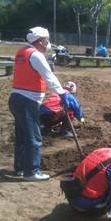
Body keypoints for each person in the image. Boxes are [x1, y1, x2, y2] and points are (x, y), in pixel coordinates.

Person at [8, 26, 69, 181]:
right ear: (40, 41)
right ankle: (32, 172)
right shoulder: (36, 55)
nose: (48, 43)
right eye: (47, 40)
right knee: (34, 137)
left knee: (22, 136)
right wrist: (62, 93)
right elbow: (49, 76)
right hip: (27, 101)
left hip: (16, 98)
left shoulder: (22, 52)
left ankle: (20, 168)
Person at [60, 132, 111, 218]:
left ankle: (89, 205)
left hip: (73, 193)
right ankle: (98, 210)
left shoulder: (102, 150)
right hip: (84, 202)